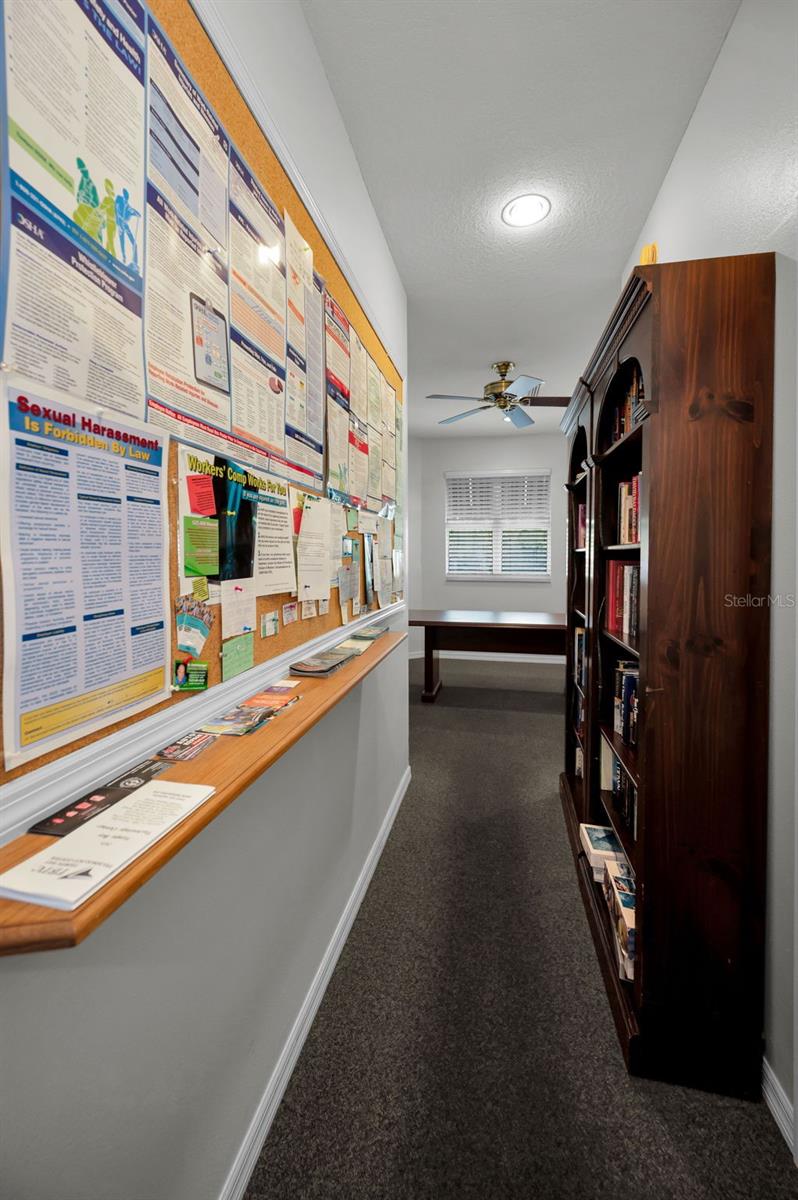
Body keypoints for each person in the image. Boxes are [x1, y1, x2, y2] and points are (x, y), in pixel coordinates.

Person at [115, 188, 140, 269]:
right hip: (120, 224)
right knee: (122, 242)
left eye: (126, 200)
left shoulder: (128, 206)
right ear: (123, 197)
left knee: (134, 243)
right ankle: (123, 257)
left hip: (125, 225)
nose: (125, 202)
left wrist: (136, 213)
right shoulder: (119, 201)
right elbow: (117, 213)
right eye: (124, 199)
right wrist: (119, 225)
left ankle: (135, 262)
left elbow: (133, 212)